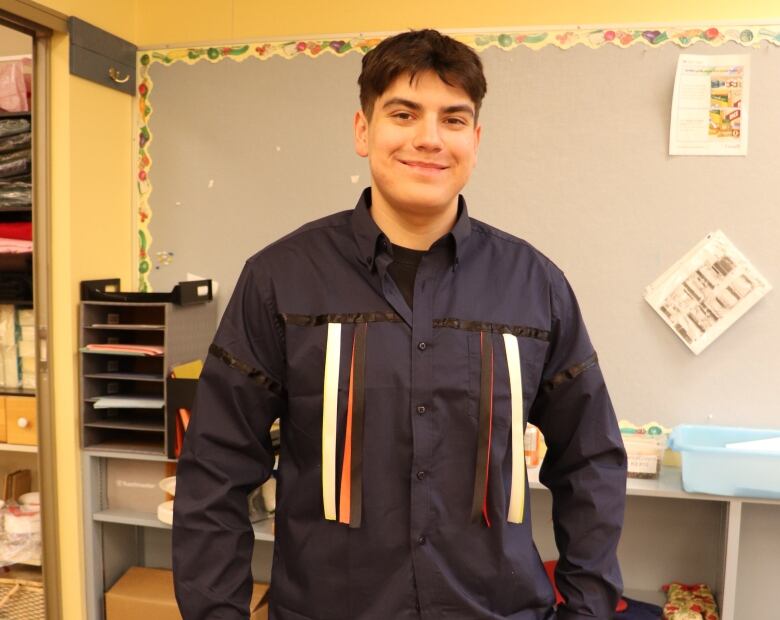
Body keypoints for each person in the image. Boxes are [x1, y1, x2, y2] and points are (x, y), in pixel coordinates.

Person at [172, 29, 627, 620]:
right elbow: (215, 468)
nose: (429, 139)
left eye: (453, 119)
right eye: (404, 113)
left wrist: (588, 610)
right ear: (364, 130)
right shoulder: (279, 280)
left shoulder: (535, 286)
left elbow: (591, 461)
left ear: (476, 139)